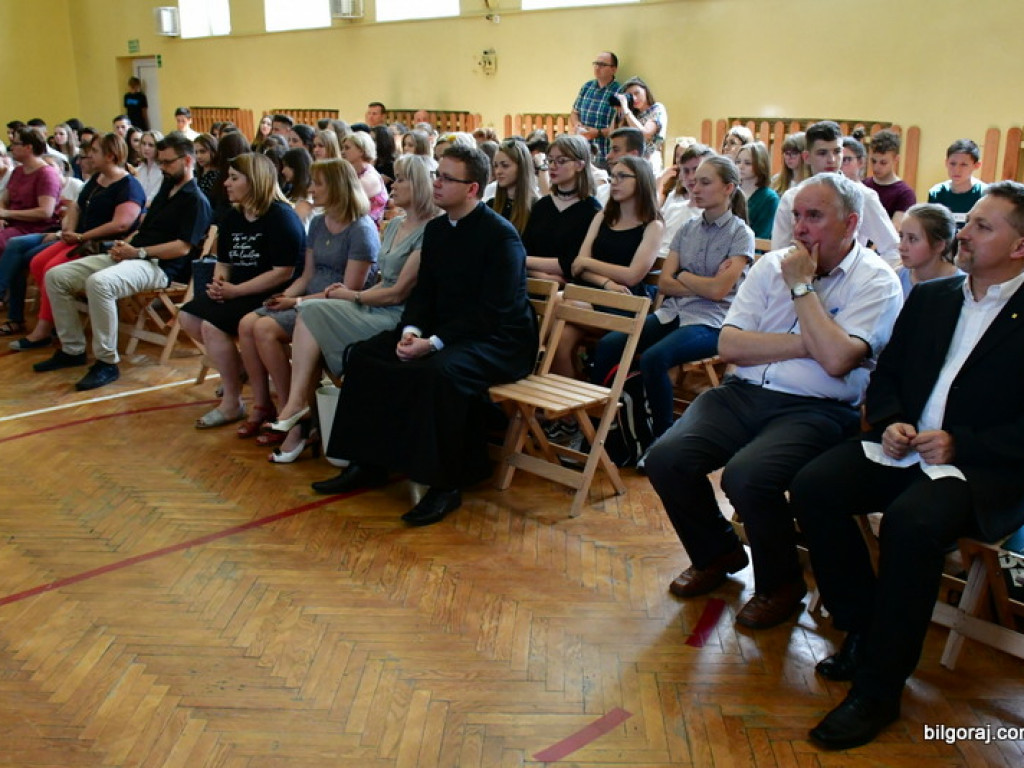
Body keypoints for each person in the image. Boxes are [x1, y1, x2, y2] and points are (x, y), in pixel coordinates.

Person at [790, 181, 1024, 750]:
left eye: (983, 227)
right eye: (968, 224)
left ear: (1020, 247)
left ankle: (878, 690)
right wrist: (891, 418)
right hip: (906, 444)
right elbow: (888, 372)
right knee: (813, 486)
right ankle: (866, 626)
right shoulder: (934, 295)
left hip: (985, 467)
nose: (963, 234)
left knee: (911, 524)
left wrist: (960, 444)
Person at [645, 173, 903, 630]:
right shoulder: (771, 266)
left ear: (851, 224)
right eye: (797, 216)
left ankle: (780, 585)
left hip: (817, 409)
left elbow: (841, 360)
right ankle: (718, 552)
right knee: (666, 457)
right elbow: (729, 345)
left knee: (748, 477)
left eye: (815, 217)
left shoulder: (877, 280)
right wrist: (812, 344)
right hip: (742, 393)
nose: (800, 228)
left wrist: (803, 289)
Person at [310, 145, 538, 527]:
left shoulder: (500, 237)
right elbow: (424, 295)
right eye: (438, 174)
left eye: (448, 178)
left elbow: (492, 312)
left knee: (439, 373)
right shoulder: (436, 230)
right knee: (366, 356)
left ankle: (444, 485)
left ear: (472, 189)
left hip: (499, 340)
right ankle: (368, 463)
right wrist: (412, 331)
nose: (437, 183)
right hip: (448, 330)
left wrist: (432, 343)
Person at [268, 154, 440, 461]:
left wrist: (351, 296)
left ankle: (298, 408)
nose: (392, 183)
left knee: (311, 311)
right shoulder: (397, 223)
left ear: (421, 185)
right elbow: (382, 282)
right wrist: (349, 295)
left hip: (400, 316)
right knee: (308, 312)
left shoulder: (431, 230)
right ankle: (297, 404)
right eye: (395, 177)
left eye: (401, 179)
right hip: (377, 303)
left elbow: (397, 293)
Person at [37, 132, 213, 391]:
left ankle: (107, 362)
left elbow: (182, 247)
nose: (162, 167)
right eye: (160, 162)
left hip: (160, 267)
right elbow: (144, 226)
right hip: (135, 255)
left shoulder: (196, 200)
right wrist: (127, 244)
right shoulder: (167, 188)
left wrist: (139, 252)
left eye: (167, 162)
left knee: (99, 283)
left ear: (187, 161)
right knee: (56, 276)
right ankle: (72, 349)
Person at [593, 155, 753, 440]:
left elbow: (718, 293)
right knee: (608, 345)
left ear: (729, 188)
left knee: (655, 357)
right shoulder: (687, 228)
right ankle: (611, 428)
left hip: (713, 322)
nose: (695, 187)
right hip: (674, 312)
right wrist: (700, 282)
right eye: (694, 182)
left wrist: (686, 277)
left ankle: (661, 439)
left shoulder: (741, 234)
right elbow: (665, 283)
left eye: (705, 182)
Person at [234, 157, 379, 449]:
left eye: (318, 183)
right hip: (307, 298)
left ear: (338, 187)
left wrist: (297, 301)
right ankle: (264, 405)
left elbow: (349, 289)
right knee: (247, 323)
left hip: (336, 307)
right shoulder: (319, 223)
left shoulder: (361, 230)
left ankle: (294, 410)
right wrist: (288, 296)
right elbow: (308, 274)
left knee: (264, 329)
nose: (312, 189)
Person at [178, 153, 304, 427]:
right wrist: (219, 284)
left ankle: (232, 400)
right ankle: (243, 369)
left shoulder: (280, 217)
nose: (226, 183)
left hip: (269, 292)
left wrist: (236, 291)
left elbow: (283, 271)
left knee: (212, 327)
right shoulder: (234, 216)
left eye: (234, 178)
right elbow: (223, 261)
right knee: (187, 316)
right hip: (237, 289)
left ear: (255, 181)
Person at [7, 133, 144, 347]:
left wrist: (82, 236)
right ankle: (53, 321)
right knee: (36, 262)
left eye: (95, 152)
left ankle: (44, 330)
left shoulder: (128, 185)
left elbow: (121, 225)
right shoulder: (97, 180)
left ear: (110, 156)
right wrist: (70, 228)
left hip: (103, 246)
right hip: (80, 239)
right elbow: (77, 206)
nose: (89, 156)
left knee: (51, 269)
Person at [553, 155, 664, 378]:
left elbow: (632, 276)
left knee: (555, 302)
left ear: (641, 180)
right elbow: (577, 266)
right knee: (561, 340)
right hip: (592, 293)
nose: (614, 181)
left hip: (623, 302)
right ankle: (576, 410)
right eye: (613, 176)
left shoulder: (653, 225)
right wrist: (606, 282)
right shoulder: (602, 216)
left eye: (622, 176)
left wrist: (589, 264)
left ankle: (523, 369)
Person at [772, 121, 900, 266]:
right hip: (800, 278)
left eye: (837, 152)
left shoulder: (863, 196)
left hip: (849, 280)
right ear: (807, 157)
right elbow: (778, 253)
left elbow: (893, 249)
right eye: (822, 153)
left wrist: (867, 278)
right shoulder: (791, 198)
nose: (831, 160)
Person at [522, 135, 602, 286]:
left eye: (561, 161)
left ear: (579, 165)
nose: (552, 166)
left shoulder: (592, 210)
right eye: (550, 160)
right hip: (533, 282)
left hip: (570, 290)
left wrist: (525, 262)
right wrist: (542, 276)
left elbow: (573, 263)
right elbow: (525, 250)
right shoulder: (542, 205)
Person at [0, 128, 62, 257]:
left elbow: (45, 212)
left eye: (15, 144)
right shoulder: (18, 171)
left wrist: (7, 213)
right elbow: (4, 200)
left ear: (28, 147)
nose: (11, 148)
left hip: (33, 228)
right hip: (12, 223)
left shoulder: (46, 174)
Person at [657, 142, 714, 258]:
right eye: (686, 171)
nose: (691, 177)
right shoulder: (673, 208)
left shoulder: (712, 214)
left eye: (697, 170)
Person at [895, 202, 962, 297]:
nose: (901, 247)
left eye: (912, 239)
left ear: (938, 246)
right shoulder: (896, 278)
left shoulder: (960, 284)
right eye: (901, 236)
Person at [570, 51, 621, 168]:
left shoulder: (619, 92)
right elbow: (574, 113)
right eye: (596, 64)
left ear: (613, 69)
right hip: (582, 152)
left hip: (604, 153)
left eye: (602, 65)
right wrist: (577, 124)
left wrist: (597, 132)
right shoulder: (587, 87)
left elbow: (621, 127)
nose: (597, 68)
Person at [611, 76, 668, 172]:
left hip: (649, 162)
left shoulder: (657, 108)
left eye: (637, 93)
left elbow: (645, 134)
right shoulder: (631, 114)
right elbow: (613, 135)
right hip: (630, 163)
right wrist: (618, 112)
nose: (634, 98)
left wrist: (626, 110)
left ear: (645, 91)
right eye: (630, 96)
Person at [927, 138, 986, 230]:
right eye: (953, 164)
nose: (957, 170)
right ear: (946, 163)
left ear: (976, 165)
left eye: (964, 165)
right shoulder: (936, 193)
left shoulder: (985, 194)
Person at [864, 129, 916, 227]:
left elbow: (894, 231)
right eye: (873, 161)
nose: (876, 167)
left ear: (896, 159)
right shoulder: (863, 185)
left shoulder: (905, 193)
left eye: (883, 163)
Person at [488, 139, 538, 235]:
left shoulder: (537, 208)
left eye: (505, 165)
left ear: (521, 167)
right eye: (495, 166)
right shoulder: (491, 205)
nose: (498, 171)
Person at [341, 132, 388, 223]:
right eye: (342, 148)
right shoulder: (354, 173)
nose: (342, 152)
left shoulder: (370, 178)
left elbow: (342, 202)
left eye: (347, 148)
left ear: (361, 151)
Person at [735, 141, 779, 240]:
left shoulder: (769, 198)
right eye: (738, 162)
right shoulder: (731, 192)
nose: (740, 166)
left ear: (760, 164)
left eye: (747, 163)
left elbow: (763, 235)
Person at [136, 130, 165, 206]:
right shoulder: (139, 169)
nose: (146, 148)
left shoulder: (163, 170)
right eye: (143, 144)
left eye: (151, 145)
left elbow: (155, 197)